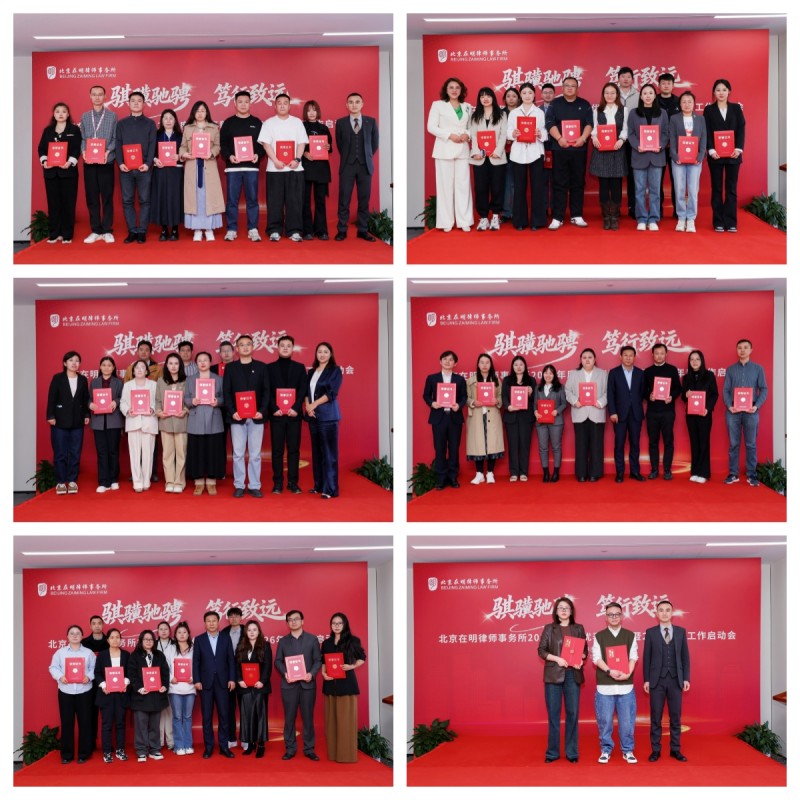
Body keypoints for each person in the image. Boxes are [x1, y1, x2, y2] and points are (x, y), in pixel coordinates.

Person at [537, 598, 587, 763]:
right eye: (561, 608)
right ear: (556, 611)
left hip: (573, 675)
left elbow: (584, 651)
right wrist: (557, 659)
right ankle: (552, 753)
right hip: (554, 676)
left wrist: (581, 658)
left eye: (567, 608)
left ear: (571, 611)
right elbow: (541, 650)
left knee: (572, 714)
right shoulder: (549, 628)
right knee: (553, 715)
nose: (564, 610)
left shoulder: (578, 628)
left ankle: (572, 753)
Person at [643, 599, 691, 762]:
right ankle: (655, 750)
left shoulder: (680, 632)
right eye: (661, 610)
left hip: (676, 680)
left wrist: (686, 678)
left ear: (672, 613)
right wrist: (647, 680)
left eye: (667, 610)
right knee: (656, 717)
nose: (664, 613)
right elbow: (647, 658)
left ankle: (675, 749)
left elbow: (685, 657)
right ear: (657, 614)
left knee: (675, 717)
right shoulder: (650, 632)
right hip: (656, 681)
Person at [257, 93, 309, 242]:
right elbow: (266, 144)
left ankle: (294, 230)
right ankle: (274, 230)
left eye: (285, 103)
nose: (282, 105)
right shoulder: (268, 123)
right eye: (279, 103)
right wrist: (275, 160)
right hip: (275, 169)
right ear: (275, 106)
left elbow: (302, 143)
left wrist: (297, 159)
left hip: (294, 168)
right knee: (275, 201)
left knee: (295, 201)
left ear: (289, 105)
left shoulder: (297, 122)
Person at [223, 334, 270, 498]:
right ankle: (239, 485)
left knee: (255, 454)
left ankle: (255, 485)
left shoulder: (262, 367)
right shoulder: (230, 368)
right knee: (238, 453)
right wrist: (233, 412)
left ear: (253, 347)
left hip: (256, 417)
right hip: (237, 417)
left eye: (248, 344)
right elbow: (227, 392)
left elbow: (267, 392)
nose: (245, 347)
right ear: (237, 349)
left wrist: (261, 411)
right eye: (241, 345)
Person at [545, 76, 593, 229]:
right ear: (562, 88)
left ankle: (576, 215)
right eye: (567, 85)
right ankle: (557, 217)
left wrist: (583, 138)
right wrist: (559, 138)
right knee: (559, 182)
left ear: (577, 89)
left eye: (573, 85)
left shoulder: (584, 104)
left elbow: (589, 124)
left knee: (578, 182)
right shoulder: (555, 104)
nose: (570, 88)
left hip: (579, 149)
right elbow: (549, 123)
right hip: (560, 148)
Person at [593, 602, 639, 764]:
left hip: (626, 687)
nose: (614, 617)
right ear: (606, 617)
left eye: (617, 614)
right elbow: (596, 658)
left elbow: (633, 657)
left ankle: (628, 750)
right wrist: (609, 671)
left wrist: (628, 673)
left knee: (627, 722)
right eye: (610, 614)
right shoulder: (599, 636)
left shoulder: (630, 635)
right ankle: (606, 749)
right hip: (605, 687)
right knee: (605, 721)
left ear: (622, 616)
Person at [274, 609, 322, 761]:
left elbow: (318, 661)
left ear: (302, 621)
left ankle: (309, 749)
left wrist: (311, 674)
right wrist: (285, 673)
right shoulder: (283, 641)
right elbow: (278, 661)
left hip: (307, 685)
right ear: (287, 623)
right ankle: (290, 748)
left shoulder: (312, 639)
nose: (293, 621)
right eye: (290, 619)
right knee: (289, 718)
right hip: (289, 685)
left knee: (308, 718)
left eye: (296, 619)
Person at [427, 77, 473, 232]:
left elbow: (471, 127)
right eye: (451, 87)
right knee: (445, 187)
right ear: (446, 90)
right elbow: (431, 127)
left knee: (463, 186)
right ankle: (446, 222)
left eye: (457, 87)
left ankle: (464, 221)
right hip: (444, 149)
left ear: (461, 90)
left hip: (462, 150)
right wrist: (449, 135)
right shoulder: (438, 105)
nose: (454, 90)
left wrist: (467, 134)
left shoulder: (467, 107)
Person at [220, 90, 264, 242]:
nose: (243, 104)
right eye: (240, 102)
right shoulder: (228, 123)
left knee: (252, 199)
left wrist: (258, 154)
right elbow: (223, 143)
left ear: (250, 103)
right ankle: (231, 229)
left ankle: (253, 228)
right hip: (233, 168)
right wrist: (229, 156)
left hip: (251, 167)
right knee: (232, 200)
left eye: (246, 102)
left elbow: (263, 143)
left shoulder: (257, 122)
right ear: (235, 104)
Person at [321, 612, 366, 763]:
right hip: (330, 685)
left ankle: (346, 755)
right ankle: (333, 754)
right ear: (330, 625)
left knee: (346, 721)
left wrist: (351, 666)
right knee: (331, 722)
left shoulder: (353, 640)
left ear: (345, 624)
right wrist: (323, 673)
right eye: (334, 623)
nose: (336, 626)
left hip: (347, 686)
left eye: (339, 623)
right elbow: (323, 661)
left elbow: (362, 658)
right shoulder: (326, 643)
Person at [723, 339, 768, 486]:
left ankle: (752, 475)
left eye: (745, 347)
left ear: (751, 350)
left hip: (751, 410)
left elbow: (764, 389)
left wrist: (757, 406)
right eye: (739, 348)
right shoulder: (730, 370)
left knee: (751, 444)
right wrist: (729, 406)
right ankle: (733, 474)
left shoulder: (758, 369)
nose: (742, 350)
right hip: (733, 411)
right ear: (736, 350)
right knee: (734, 444)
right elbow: (725, 390)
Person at [335, 92, 379, 241]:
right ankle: (342, 230)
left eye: (357, 102)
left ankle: (363, 230)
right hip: (347, 166)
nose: (354, 105)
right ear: (347, 105)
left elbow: (374, 144)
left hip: (365, 166)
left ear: (362, 104)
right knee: (344, 199)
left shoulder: (371, 122)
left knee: (364, 200)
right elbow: (340, 144)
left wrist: (365, 156)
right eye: (351, 102)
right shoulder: (341, 123)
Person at [703, 79, 746, 232]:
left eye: (724, 90)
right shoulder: (709, 110)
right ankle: (718, 221)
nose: (721, 93)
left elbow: (741, 129)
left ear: (729, 92)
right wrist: (711, 149)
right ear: (714, 92)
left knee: (731, 188)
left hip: (733, 154)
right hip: (715, 155)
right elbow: (706, 130)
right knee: (716, 188)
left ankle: (731, 221)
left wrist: (738, 149)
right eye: (718, 90)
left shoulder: (736, 108)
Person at [49, 625, 96, 764]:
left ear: (82, 636)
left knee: (85, 722)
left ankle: (84, 754)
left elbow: (94, 668)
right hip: (66, 691)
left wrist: (89, 676)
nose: (75, 635)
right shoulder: (60, 653)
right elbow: (53, 667)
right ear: (67, 636)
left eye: (77, 633)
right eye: (72, 633)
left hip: (84, 691)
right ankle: (67, 755)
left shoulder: (88, 653)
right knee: (67, 723)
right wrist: (60, 676)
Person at [267, 335, 308, 494]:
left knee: (293, 450)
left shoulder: (299, 367)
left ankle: (292, 482)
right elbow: (267, 391)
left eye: (288, 346)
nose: (285, 348)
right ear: (277, 348)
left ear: (292, 348)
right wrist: (274, 407)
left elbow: (302, 390)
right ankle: (277, 482)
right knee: (277, 450)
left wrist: (296, 407)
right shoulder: (269, 368)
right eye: (282, 345)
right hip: (276, 415)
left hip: (294, 416)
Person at [193, 611, 236, 759]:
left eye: (214, 621)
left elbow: (231, 660)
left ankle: (224, 747)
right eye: (208, 621)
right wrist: (197, 680)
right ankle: (209, 748)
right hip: (205, 684)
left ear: (218, 622)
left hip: (223, 683)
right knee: (207, 718)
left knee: (224, 716)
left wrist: (232, 679)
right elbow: (196, 662)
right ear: (205, 623)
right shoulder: (199, 640)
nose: (211, 623)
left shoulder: (226, 638)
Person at [115, 91, 157, 244]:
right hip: (126, 169)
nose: (136, 103)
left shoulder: (150, 124)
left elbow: (152, 145)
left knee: (145, 200)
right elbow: (118, 144)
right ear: (128, 104)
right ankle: (132, 230)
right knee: (127, 200)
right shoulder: (121, 124)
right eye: (133, 101)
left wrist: (148, 163)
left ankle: (142, 231)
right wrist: (120, 163)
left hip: (144, 169)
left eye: (139, 101)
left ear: (143, 104)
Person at [46, 350, 90, 495]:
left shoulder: (83, 379)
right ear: (65, 363)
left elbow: (85, 399)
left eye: (77, 361)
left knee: (75, 452)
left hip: (77, 421)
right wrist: (50, 415)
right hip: (59, 421)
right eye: (71, 360)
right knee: (60, 453)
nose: (74, 363)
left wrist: (86, 414)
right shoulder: (57, 378)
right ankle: (60, 482)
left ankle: (72, 481)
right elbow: (51, 398)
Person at [423, 350, 468, 489]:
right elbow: (426, 395)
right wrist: (432, 403)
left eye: (451, 360)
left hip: (454, 418)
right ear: (440, 361)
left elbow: (464, 397)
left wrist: (459, 406)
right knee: (439, 448)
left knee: (454, 449)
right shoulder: (432, 378)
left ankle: (453, 477)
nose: (448, 362)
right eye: (445, 359)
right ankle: (441, 478)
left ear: (455, 363)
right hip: (439, 418)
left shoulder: (460, 380)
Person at [627, 84, 669, 231]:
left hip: (657, 156)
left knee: (655, 190)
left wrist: (661, 145)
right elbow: (630, 133)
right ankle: (641, 218)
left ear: (655, 95)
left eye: (651, 93)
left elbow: (666, 133)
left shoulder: (662, 113)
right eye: (645, 93)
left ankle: (653, 218)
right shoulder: (634, 113)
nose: (648, 96)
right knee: (639, 190)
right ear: (641, 96)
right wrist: (637, 145)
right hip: (639, 155)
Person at [180, 100, 224, 241]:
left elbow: (217, 146)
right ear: (193, 113)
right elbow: (182, 147)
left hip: (208, 167)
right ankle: (197, 229)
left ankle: (209, 228)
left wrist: (211, 153)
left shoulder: (214, 128)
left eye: (203, 111)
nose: (200, 113)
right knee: (195, 199)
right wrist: (184, 154)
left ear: (207, 113)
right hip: (192, 167)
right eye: (197, 111)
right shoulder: (187, 128)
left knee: (208, 197)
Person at [38, 102, 82, 243]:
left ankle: (67, 234)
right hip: (51, 173)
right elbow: (41, 148)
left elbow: (77, 148)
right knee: (53, 203)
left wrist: (69, 162)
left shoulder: (74, 129)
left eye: (64, 111)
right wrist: (44, 161)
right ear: (54, 114)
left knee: (68, 203)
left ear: (68, 114)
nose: (61, 114)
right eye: (58, 111)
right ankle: (54, 233)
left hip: (68, 172)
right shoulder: (48, 130)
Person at [507, 82, 547, 231]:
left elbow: (545, 131)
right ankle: (520, 221)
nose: (527, 96)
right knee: (519, 187)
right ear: (520, 95)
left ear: (534, 95)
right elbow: (508, 131)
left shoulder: (539, 112)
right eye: (524, 93)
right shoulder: (514, 113)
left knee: (537, 187)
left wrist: (540, 133)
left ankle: (537, 221)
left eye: (530, 93)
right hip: (518, 154)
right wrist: (513, 134)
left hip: (535, 152)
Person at [79, 85, 117, 243]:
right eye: (94, 94)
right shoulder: (85, 116)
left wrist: (108, 151)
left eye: (100, 94)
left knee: (107, 197)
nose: (97, 97)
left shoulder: (112, 116)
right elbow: (82, 138)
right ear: (90, 96)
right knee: (92, 197)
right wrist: (83, 151)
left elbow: (115, 138)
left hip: (106, 161)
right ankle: (95, 230)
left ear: (105, 96)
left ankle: (107, 230)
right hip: (89, 162)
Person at [305, 341, 343, 499]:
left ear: (330, 354)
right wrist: (308, 406)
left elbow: (332, 393)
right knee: (317, 453)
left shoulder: (335, 370)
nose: (322, 354)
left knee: (329, 453)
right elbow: (306, 392)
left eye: (325, 352)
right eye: (319, 351)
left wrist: (313, 404)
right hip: (313, 416)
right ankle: (319, 485)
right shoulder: (311, 371)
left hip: (328, 416)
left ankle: (330, 489)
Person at [185, 351, 226, 495]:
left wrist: (218, 401)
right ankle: (198, 482)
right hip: (196, 417)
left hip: (214, 418)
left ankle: (211, 481)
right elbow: (185, 398)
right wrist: (191, 401)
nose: (202, 363)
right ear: (196, 363)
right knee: (197, 450)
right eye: (200, 360)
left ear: (210, 362)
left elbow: (224, 398)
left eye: (205, 360)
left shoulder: (218, 379)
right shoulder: (190, 379)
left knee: (213, 450)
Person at [589, 83, 628, 230]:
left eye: (612, 93)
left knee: (616, 185)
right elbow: (594, 128)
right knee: (604, 185)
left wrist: (621, 140)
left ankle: (615, 216)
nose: (609, 95)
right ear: (603, 95)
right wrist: (594, 138)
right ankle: (606, 216)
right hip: (602, 151)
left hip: (617, 150)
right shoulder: (597, 110)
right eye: (607, 93)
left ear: (617, 94)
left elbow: (625, 129)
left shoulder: (624, 110)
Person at [469, 86, 508, 231]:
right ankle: (484, 217)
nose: (485, 99)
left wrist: (497, 151)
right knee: (480, 188)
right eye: (482, 96)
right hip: (479, 158)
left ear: (493, 98)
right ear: (479, 99)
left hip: (497, 157)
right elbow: (473, 136)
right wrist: (475, 152)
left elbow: (503, 135)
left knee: (497, 187)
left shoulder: (502, 114)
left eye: (488, 96)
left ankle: (496, 216)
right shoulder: (474, 116)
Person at [565, 348, 608, 482]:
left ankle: (595, 473)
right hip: (580, 412)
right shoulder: (574, 374)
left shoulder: (603, 374)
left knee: (596, 445)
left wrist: (600, 402)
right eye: (584, 357)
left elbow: (609, 391)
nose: (587, 360)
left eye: (590, 357)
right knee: (581, 445)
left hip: (597, 412)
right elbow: (567, 391)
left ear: (595, 359)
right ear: (581, 360)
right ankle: (581, 473)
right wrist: (575, 401)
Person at [129, 629, 169, 762]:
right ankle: (141, 750)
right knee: (141, 725)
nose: (148, 642)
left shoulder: (159, 655)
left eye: (151, 639)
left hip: (156, 696)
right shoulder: (134, 656)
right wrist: (139, 688)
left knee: (155, 725)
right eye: (145, 639)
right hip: (141, 696)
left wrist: (164, 686)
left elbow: (165, 673)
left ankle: (154, 749)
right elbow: (131, 674)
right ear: (141, 641)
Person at [670, 91, 707, 233]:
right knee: (679, 189)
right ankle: (681, 217)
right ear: (680, 104)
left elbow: (704, 139)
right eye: (684, 102)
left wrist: (700, 156)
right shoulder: (674, 119)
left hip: (695, 161)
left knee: (692, 190)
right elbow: (672, 139)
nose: (687, 104)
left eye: (689, 101)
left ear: (694, 104)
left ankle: (691, 218)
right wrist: (675, 156)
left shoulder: (700, 119)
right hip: (678, 160)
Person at [643, 343, 681, 480]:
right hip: (652, 412)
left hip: (667, 412)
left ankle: (667, 470)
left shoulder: (672, 370)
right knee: (653, 441)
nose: (659, 356)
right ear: (652, 354)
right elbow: (643, 390)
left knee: (668, 441)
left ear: (666, 354)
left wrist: (672, 396)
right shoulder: (647, 371)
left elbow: (678, 388)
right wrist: (649, 396)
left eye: (662, 353)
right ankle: (654, 469)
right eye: (657, 353)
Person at [680, 349, 719, 483]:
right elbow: (683, 397)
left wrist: (707, 408)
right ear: (689, 362)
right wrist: (686, 395)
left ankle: (704, 473)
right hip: (691, 415)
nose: (694, 362)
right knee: (694, 442)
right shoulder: (686, 377)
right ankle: (695, 471)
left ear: (702, 361)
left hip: (704, 414)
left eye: (697, 359)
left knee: (703, 442)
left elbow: (714, 394)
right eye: (692, 359)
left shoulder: (709, 375)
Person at [607, 346, 646, 482]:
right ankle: (620, 472)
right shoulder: (614, 373)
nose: (628, 358)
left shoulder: (640, 373)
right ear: (620, 357)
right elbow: (610, 394)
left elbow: (642, 393)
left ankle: (635, 471)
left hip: (636, 414)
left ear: (634, 357)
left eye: (631, 355)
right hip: (619, 415)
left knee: (635, 444)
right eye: (625, 355)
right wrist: (612, 412)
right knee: (619, 444)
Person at [235, 620, 272, 759]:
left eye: (254, 630)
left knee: (260, 715)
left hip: (259, 687)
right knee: (247, 715)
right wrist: (239, 680)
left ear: (259, 631)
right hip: (244, 687)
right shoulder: (240, 646)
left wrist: (262, 681)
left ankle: (261, 744)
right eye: (249, 630)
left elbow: (267, 666)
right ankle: (250, 744)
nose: (251, 632)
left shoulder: (265, 646)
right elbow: (236, 665)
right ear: (246, 632)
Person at [120, 359, 158, 492]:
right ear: (133, 371)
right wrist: (127, 410)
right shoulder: (128, 385)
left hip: (149, 421)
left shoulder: (153, 385)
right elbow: (123, 402)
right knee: (134, 454)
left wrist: (153, 409)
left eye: (143, 367)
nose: (140, 369)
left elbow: (158, 401)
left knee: (148, 453)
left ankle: (146, 479)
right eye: (137, 367)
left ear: (147, 371)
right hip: (133, 421)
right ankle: (137, 481)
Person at [466, 353, 504, 484]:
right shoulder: (470, 381)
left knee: (491, 444)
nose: (484, 365)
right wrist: (472, 402)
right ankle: (479, 474)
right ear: (478, 364)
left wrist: (497, 401)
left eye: (487, 362)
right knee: (478, 444)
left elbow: (501, 397)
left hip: (492, 415)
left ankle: (490, 473)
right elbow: (465, 397)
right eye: (482, 362)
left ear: (491, 364)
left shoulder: (496, 380)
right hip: (477, 416)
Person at [94, 628, 130, 763]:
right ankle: (107, 751)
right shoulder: (102, 655)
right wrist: (103, 685)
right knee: (107, 724)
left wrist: (125, 683)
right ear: (108, 640)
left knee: (121, 723)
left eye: (117, 637)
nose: (115, 640)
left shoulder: (126, 655)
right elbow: (97, 673)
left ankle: (120, 750)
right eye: (112, 637)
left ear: (121, 639)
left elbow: (130, 672)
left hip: (121, 694)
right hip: (106, 694)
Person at [89, 356, 123, 493]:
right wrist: (90, 404)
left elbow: (123, 397)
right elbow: (88, 398)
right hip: (98, 422)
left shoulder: (119, 382)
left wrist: (116, 401)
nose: (106, 367)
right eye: (104, 365)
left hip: (114, 421)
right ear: (100, 367)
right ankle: (103, 481)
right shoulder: (94, 382)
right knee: (101, 452)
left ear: (113, 367)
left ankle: (114, 479)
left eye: (109, 365)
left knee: (113, 451)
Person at [155, 353, 189, 493]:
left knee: (181, 453)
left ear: (180, 365)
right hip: (166, 421)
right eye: (170, 363)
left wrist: (185, 410)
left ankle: (179, 482)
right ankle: (169, 481)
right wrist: (158, 411)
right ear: (166, 366)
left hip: (181, 421)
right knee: (167, 454)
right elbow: (157, 400)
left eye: (176, 363)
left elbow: (190, 400)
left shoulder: (187, 381)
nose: (173, 366)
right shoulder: (161, 381)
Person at [301, 100, 333, 240]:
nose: (312, 113)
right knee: (305, 200)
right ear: (305, 113)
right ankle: (307, 230)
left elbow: (330, 148)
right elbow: (296, 145)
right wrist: (304, 153)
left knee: (320, 200)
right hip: (306, 168)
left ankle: (321, 230)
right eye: (309, 110)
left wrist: (328, 147)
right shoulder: (301, 127)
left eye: (314, 110)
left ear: (318, 112)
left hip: (321, 169)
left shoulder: (324, 128)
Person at [151, 108, 183, 241]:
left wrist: (179, 156)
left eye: (171, 118)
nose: (168, 121)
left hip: (176, 171)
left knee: (175, 198)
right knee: (162, 198)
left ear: (175, 121)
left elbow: (186, 152)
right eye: (165, 118)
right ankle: (164, 229)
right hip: (160, 171)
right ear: (161, 121)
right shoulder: (156, 135)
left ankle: (175, 228)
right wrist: (155, 160)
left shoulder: (180, 136)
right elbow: (151, 152)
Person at [501, 355, 534, 481]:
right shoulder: (507, 380)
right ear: (512, 367)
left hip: (526, 417)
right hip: (511, 417)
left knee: (525, 445)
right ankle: (514, 472)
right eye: (516, 365)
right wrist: (508, 406)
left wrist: (531, 393)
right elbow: (504, 396)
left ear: (525, 366)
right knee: (513, 445)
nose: (518, 367)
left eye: (521, 364)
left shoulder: (531, 380)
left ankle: (524, 472)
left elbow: (535, 399)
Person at [167, 621, 196, 756]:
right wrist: (170, 678)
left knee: (188, 717)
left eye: (184, 632)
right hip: (175, 688)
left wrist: (194, 678)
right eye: (179, 632)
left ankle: (188, 744)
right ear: (175, 635)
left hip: (190, 688)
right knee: (177, 717)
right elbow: (166, 667)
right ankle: (179, 746)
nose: (182, 634)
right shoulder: (170, 649)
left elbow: (198, 665)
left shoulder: (194, 648)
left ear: (188, 634)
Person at [534, 364, 568, 482]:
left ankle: (556, 472)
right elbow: (535, 404)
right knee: (543, 448)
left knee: (556, 447)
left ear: (554, 375)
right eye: (546, 373)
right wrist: (535, 412)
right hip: (541, 422)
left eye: (550, 373)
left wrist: (557, 411)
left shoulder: (560, 387)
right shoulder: (538, 388)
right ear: (543, 374)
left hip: (556, 422)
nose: (548, 375)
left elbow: (564, 403)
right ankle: (546, 472)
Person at [82, 615, 109, 751]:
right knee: (90, 714)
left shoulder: (109, 641)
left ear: (103, 625)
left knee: (107, 715)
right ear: (90, 626)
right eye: (94, 623)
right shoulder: (84, 643)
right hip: (89, 683)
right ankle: (90, 743)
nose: (97, 625)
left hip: (106, 682)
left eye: (99, 623)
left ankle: (107, 744)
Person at [616, 68, 639, 219]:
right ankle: (615, 208)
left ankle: (633, 207)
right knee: (617, 174)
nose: (625, 79)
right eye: (623, 76)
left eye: (628, 77)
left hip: (633, 140)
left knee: (632, 175)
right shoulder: (612, 93)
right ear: (618, 78)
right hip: (616, 140)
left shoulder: (639, 95)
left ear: (632, 79)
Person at [220, 608, 245, 749]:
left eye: (236, 616)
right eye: (231, 616)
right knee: (229, 708)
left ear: (241, 618)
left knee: (245, 708)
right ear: (228, 618)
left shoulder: (248, 630)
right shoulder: (223, 633)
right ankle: (231, 738)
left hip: (245, 676)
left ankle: (245, 738)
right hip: (228, 676)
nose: (234, 618)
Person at [657, 73, 681, 217]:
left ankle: (678, 211)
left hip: (676, 147)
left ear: (673, 85)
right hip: (657, 147)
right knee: (657, 179)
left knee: (676, 179)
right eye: (663, 83)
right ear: (659, 85)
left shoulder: (679, 101)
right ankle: (657, 210)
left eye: (668, 83)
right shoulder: (653, 100)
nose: (666, 86)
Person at [154, 622, 176, 752]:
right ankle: (159, 741)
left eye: (166, 629)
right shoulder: (153, 644)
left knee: (170, 712)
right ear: (157, 631)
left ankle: (171, 741)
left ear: (170, 631)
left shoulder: (175, 644)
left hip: (172, 682)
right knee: (158, 713)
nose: (163, 631)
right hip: (156, 683)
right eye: (161, 629)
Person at [500, 86, 521, 220]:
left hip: (519, 152)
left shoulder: (522, 112)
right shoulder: (500, 113)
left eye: (514, 96)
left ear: (518, 98)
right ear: (504, 99)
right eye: (508, 96)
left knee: (515, 183)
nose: (511, 99)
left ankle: (516, 211)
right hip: (502, 152)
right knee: (505, 182)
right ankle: (506, 212)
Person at [538, 83, 557, 215]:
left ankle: (555, 208)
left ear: (554, 94)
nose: (548, 95)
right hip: (541, 147)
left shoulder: (559, 108)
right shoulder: (536, 110)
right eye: (545, 92)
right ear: (541, 94)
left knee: (556, 179)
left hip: (557, 146)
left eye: (550, 92)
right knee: (542, 179)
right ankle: (543, 208)